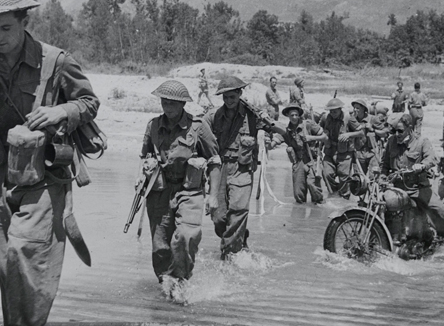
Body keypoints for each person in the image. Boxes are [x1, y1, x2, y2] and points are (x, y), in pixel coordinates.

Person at [0, 0, 100, 325]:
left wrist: (61, 113)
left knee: (28, 256)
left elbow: (89, 103)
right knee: (7, 267)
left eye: (6, 28)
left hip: (44, 175)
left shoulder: (56, 61)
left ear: (23, 21)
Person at [137, 80, 221, 302]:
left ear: (183, 103)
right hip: (159, 191)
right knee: (160, 247)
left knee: (186, 236)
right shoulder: (153, 125)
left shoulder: (198, 127)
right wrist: (142, 176)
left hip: (189, 191)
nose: (167, 105)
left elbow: (214, 160)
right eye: (164, 100)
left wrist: (213, 197)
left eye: (173, 102)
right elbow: (145, 155)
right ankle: (167, 288)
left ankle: (180, 279)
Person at [202, 76, 271, 259]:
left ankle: (229, 255)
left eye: (232, 97)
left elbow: (279, 131)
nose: (229, 101)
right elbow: (198, 134)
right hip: (219, 168)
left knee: (239, 210)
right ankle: (239, 238)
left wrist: (268, 123)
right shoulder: (213, 116)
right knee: (218, 217)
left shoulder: (253, 116)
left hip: (242, 168)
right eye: (225, 97)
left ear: (240, 94)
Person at [381, 114, 444, 259]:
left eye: (400, 131)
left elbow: (431, 158)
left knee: (440, 209)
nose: (397, 134)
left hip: (417, 188)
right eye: (394, 130)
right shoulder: (391, 142)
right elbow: (385, 165)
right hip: (397, 188)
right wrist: (381, 177)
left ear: (410, 129)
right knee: (382, 204)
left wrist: (421, 166)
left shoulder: (421, 142)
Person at [269, 103, 326, 204]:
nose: (294, 117)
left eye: (296, 115)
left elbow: (324, 137)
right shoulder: (287, 130)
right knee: (298, 193)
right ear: (288, 116)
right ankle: (300, 213)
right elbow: (277, 140)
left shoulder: (308, 124)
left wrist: (311, 138)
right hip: (298, 162)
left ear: (299, 115)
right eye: (292, 115)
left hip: (311, 160)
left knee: (313, 186)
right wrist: (269, 144)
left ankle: (319, 206)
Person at [320, 98, 364, 199]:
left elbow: (361, 133)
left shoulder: (349, 118)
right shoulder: (326, 117)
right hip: (330, 151)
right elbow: (320, 130)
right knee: (326, 174)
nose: (333, 113)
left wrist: (348, 134)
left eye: (335, 111)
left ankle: (344, 197)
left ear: (340, 109)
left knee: (344, 177)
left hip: (345, 153)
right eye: (331, 111)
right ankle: (334, 194)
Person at [351, 99, 380, 176]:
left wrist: (372, 129)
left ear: (363, 109)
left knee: (373, 177)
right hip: (358, 153)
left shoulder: (373, 119)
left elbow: (384, 133)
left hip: (371, 153)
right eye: (354, 108)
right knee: (359, 178)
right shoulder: (352, 120)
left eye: (357, 108)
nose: (355, 110)